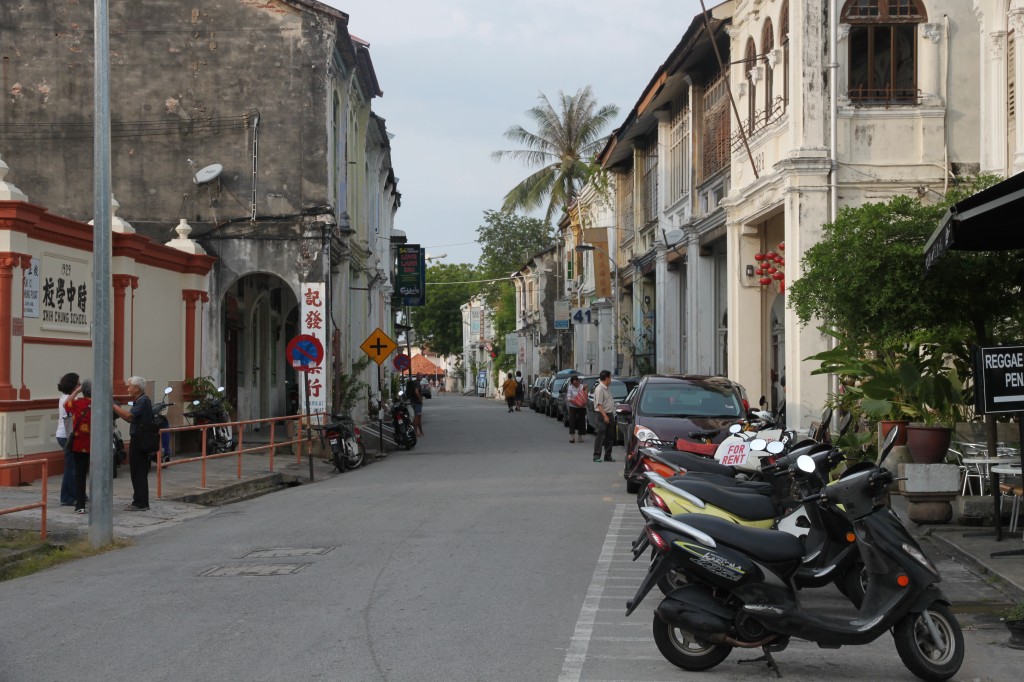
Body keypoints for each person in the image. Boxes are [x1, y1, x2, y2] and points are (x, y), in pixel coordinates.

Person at [113, 376, 155, 511]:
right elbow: (131, 419)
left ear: (137, 388)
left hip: (140, 441)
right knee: (136, 471)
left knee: (139, 472)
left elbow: (129, 416)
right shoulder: (140, 401)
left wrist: (112, 405)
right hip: (138, 440)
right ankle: (139, 500)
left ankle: (141, 502)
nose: (128, 388)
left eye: (129, 386)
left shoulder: (143, 401)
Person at [64, 379, 92, 515]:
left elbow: (65, 404)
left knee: (80, 476)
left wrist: (77, 391)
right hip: (97, 446)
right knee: (98, 475)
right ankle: (100, 502)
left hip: (80, 445)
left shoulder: (77, 404)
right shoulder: (100, 404)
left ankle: (80, 505)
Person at [56, 372, 80, 506]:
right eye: (78, 384)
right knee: (71, 467)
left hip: (65, 435)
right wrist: (78, 392)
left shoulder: (66, 397)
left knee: (75, 466)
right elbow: (67, 404)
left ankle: (77, 493)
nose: (80, 386)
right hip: (66, 436)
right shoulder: (66, 398)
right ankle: (66, 497)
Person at [592, 370, 616, 463]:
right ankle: (596, 455)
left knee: (610, 436)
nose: (611, 380)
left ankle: (608, 455)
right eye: (610, 377)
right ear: (606, 378)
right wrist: (605, 416)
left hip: (609, 413)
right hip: (602, 414)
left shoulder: (606, 388)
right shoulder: (599, 389)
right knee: (601, 435)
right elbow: (599, 405)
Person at [566, 375, 588, 444]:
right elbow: (568, 397)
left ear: (578, 381)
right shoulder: (570, 387)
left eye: (576, 383)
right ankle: (572, 437)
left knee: (581, 421)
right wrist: (575, 401)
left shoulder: (582, 386)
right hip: (573, 406)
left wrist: (583, 402)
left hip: (581, 406)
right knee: (572, 420)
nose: (575, 385)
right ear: (572, 383)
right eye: (574, 383)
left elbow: (586, 394)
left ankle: (580, 437)